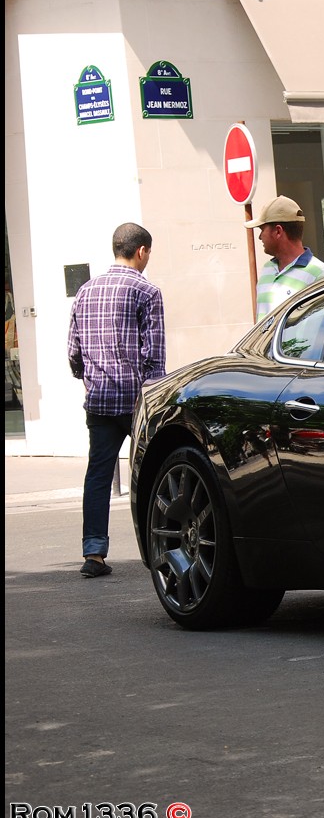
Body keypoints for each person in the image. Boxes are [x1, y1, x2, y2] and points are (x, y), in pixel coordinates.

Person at [67, 222, 166, 578]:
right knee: (155, 472)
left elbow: (74, 352)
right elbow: (154, 356)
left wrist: (88, 378)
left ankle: (94, 553)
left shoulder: (85, 291)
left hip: (99, 401)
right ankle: (163, 548)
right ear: (141, 251)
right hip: (136, 401)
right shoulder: (147, 292)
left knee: (97, 474)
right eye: (148, 253)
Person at [246, 195, 324, 321]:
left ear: (278, 231)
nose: (260, 237)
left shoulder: (319, 274)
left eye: (262, 229)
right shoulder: (267, 269)